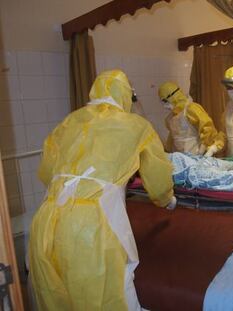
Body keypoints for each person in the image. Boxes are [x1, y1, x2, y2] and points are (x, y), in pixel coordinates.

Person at [29, 70, 176, 311]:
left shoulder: (71, 120)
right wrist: (166, 199)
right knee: (111, 295)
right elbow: (158, 176)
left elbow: (46, 171)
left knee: (58, 296)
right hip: (92, 225)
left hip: (47, 217)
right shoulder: (136, 125)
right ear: (126, 95)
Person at [158, 81, 225, 157]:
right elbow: (173, 137)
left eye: (165, 101)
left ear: (173, 96)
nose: (165, 106)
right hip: (181, 158)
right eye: (162, 102)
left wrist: (202, 149)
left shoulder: (192, 109)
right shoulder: (170, 118)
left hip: (197, 155)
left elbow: (208, 128)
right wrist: (167, 151)